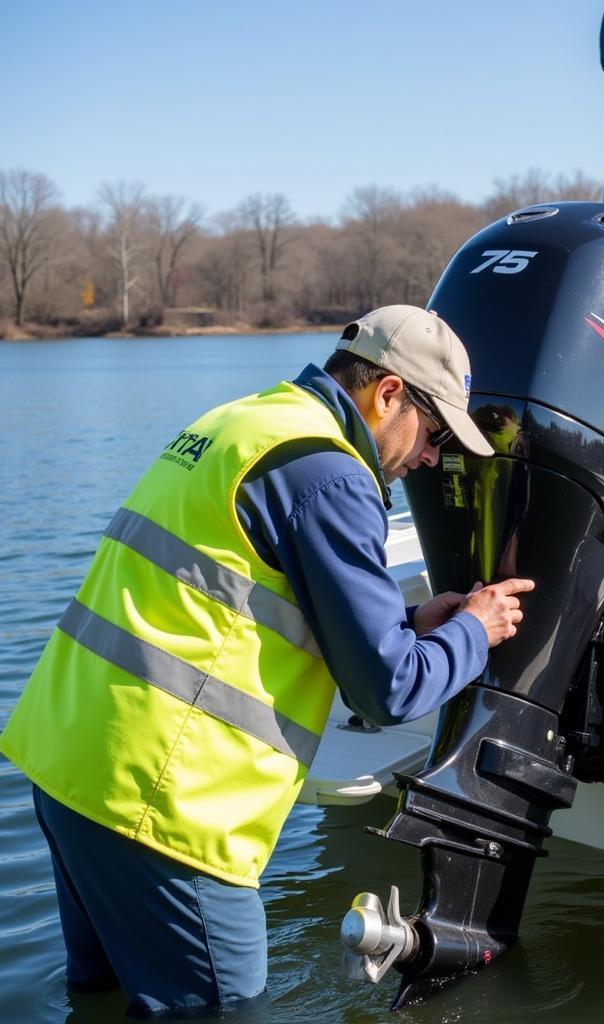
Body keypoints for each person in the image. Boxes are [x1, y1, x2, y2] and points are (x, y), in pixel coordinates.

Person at [0, 305, 534, 1017]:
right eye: (433, 433)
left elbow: (236, 602)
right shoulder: (332, 475)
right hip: (165, 807)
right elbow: (393, 690)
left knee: (96, 1001)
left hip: (69, 768)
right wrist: (476, 628)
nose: (432, 457)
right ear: (388, 394)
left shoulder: (246, 422)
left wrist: (408, 623)